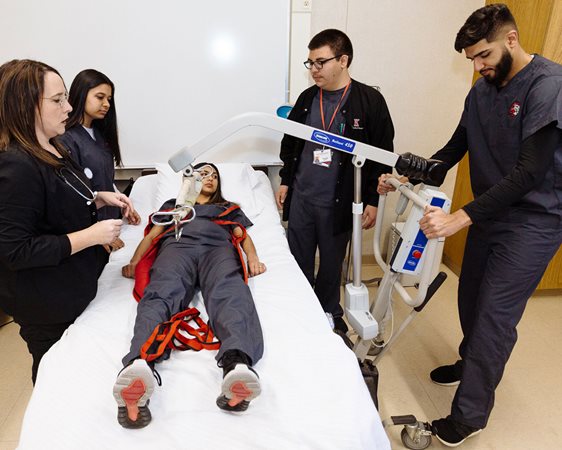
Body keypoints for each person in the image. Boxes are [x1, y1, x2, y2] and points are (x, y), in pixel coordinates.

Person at [379, 4, 562, 446]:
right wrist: (413, 172)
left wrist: (460, 216)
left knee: (495, 316)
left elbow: (529, 173)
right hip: (492, 212)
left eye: (483, 56)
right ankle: (470, 362)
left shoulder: (548, 85)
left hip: (534, 220)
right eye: (471, 61)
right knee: (470, 296)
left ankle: (470, 416)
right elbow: (456, 146)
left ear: (511, 40)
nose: (478, 68)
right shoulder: (482, 90)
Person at [0, 59, 139, 384]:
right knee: (57, 382)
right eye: (57, 99)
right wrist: (90, 235)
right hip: (46, 302)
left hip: (74, 287)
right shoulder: (17, 165)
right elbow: (15, 251)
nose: (68, 106)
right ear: (25, 104)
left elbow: (61, 195)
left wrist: (100, 196)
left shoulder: (53, 147)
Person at [114, 162, 266, 428]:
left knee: (231, 293)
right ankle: (140, 364)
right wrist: (136, 262)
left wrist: (253, 258)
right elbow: (152, 236)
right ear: (190, 179)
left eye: (215, 176)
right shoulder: (174, 205)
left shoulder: (227, 208)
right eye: (204, 173)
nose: (210, 178)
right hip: (177, 247)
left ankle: (237, 365)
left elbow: (242, 237)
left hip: (217, 250)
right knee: (161, 294)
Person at [276, 29, 394, 334]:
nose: (314, 69)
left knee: (330, 266)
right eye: (310, 63)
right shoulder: (306, 99)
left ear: (343, 60)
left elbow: (381, 154)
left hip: (338, 203)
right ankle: (300, 312)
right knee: (299, 260)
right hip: (303, 198)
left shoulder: (369, 101)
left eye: (320, 62)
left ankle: (328, 314)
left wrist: (373, 200)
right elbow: (290, 144)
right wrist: (286, 182)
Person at [58, 69, 139, 254]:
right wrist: (97, 237)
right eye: (100, 97)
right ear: (81, 95)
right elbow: (71, 196)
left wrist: (125, 205)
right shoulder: (67, 139)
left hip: (111, 222)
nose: (106, 104)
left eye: (109, 99)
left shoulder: (100, 136)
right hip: (90, 229)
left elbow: (106, 179)